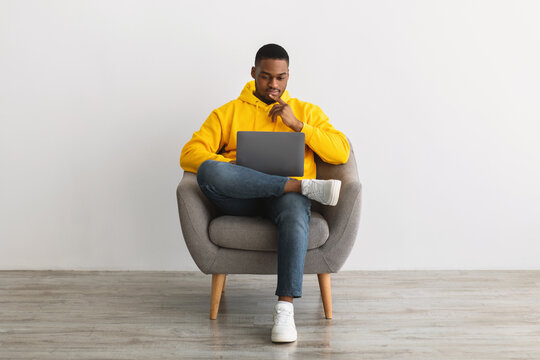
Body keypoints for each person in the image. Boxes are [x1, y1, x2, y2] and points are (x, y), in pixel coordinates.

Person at [180, 44, 350, 343]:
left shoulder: (306, 111)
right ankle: (299, 185)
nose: (273, 85)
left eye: (281, 78)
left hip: (284, 203)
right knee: (209, 170)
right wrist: (235, 166)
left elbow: (340, 152)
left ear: (288, 76)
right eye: (266, 77)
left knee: (295, 209)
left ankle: (285, 309)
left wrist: (298, 125)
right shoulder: (228, 112)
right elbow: (190, 153)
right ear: (253, 73)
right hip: (241, 199)